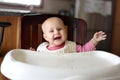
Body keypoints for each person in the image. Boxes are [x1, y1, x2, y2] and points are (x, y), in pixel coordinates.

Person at [30, 17, 107, 53]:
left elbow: (85, 50)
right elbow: (37, 60)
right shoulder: (41, 49)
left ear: (65, 31)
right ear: (45, 37)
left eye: (59, 29)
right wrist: (31, 54)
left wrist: (94, 40)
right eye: (51, 31)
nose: (56, 32)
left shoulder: (71, 46)